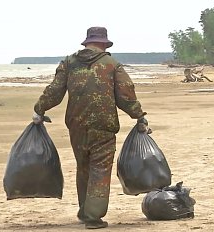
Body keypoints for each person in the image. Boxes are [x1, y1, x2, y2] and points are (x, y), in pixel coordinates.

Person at [32, 26, 148, 229]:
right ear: (103, 43)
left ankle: (85, 210)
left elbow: (54, 90)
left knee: (83, 168)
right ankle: (93, 216)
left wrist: (39, 110)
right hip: (103, 127)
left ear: (86, 43)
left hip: (77, 126)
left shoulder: (69, 63)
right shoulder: (112, 64)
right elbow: (126, 95)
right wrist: (139, 117)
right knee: (100, 169)